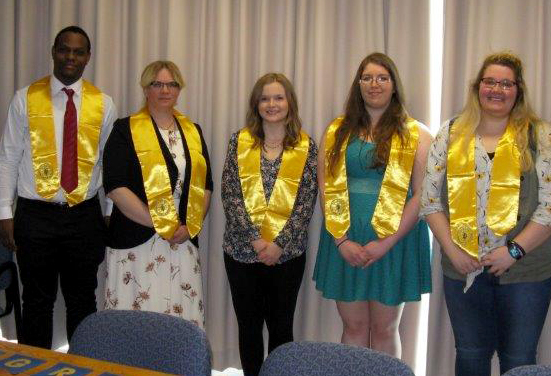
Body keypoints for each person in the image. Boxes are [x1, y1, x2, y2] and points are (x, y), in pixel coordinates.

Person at [421, 52, 551, 375]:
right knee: (471, 354)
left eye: (506, 83)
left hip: (526, 270)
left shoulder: (539, 135)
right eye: (490, 82)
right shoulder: (451, 134)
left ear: (518, 91)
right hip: (463, 268)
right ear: (478, 87)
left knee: (518, 359)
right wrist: (452, 250)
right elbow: (430, 200)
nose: (497, 90)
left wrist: (513, 252)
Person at [0, 26, 117, 348]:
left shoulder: (103, 104)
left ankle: (83, 365)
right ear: (53, 51)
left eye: (78, 52)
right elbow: (8, 158)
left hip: (84, 216)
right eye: (64, 49)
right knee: (37, 302)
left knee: (83, 301)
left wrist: (108, 211)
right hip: (35, 215)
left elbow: (109, 162)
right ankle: (35, 367)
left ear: (88, 58)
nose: (70, 57)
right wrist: (3, 213)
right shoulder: (24, 98)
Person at [313, 52, 432, 357]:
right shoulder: (336, 131)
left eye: (382, 77)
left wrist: (386, 243)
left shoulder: (417, 134)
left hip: (393, 244)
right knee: (352, 328)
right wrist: (341, 241)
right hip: (345, 240)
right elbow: (325, 187)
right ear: (358, 84)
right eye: (367, 78)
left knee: (385, 329)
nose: (374, 84)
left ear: (394, 85)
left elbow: (422, 196)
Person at [102, 61, 212, 328]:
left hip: (181, 240)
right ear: (145, 88)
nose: (165, 90)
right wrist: (160, 223)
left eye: (172, 84)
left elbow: (205, 185)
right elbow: (115, 186)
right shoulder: (124, 129)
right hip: (135, 241)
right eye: (157, 84)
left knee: (179, 321)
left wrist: (190, 226)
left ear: (179, 89)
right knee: (135, 322)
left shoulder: (193, 131)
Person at [221, 73, 317, 376]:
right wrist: (255, 241)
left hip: (286, 256)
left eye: (278, 97)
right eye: (264, 98)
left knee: (281, 329)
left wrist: (278, 245)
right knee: (248, 328)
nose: (272, 104)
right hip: (241, 253)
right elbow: (230, 193)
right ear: (256, 104)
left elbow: (306, 201)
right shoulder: (240, 141)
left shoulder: (306, 146)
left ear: (289, 102)